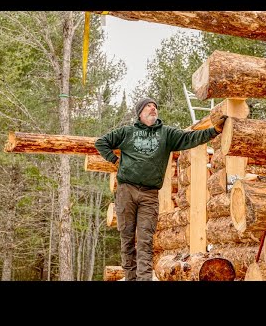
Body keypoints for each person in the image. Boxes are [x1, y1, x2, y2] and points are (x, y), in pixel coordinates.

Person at [95, 97, 227, 281]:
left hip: (149, 194)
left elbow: (190, 138)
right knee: (126, 239)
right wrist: (114, 160)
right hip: (126, 191)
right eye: (148, 106)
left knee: (145, 241)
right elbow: (101, 142)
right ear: (140, 112)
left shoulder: (166, 134)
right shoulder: (127, 132)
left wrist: (214, 131)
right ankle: (130, 278)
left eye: (155, 106)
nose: (153, 108)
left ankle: (143, 279)